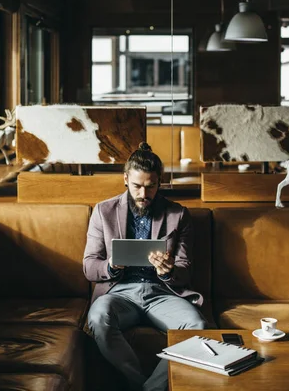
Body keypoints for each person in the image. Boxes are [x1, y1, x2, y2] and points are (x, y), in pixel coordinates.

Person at [83, 142, 207, 391]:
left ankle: (149, 388)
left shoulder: (178, 215)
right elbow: (89, 266)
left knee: (198, 327)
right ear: (126, 179)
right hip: (118, 293)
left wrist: (169, 270)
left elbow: (185, 269)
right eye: (138, 186)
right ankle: (142, 384)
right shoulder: (103, 211)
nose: (143, 193)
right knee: (97, 317)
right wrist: (111, 266)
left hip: (162, 293)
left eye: (151, 186)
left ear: (159, 182)